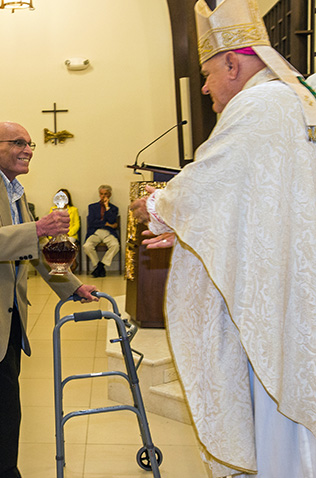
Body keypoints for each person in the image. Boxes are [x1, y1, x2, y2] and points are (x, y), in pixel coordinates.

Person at [130, 0, 316, 476]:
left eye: (209, 74)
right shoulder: (291, 100)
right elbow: (258, 204)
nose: (207, 87)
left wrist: (156, 207)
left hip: (279, 304)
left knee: (281, 424)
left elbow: (209, 180)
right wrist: (192, 225)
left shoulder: (260, 104)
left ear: (233, 62)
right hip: (289, 289)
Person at [0, 121, 98, 478]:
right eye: (18, 142)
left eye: (29, 143)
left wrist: (71, 285)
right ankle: (3, 472)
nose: (28, 149)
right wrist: (38, 227)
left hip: (9, 312)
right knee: (3, 398)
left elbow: (37, 249)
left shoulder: (14, 190)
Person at [83, 184, 119, 277]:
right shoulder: (92, 207)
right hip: (95, 232)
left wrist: (107, 207)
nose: (103, 196)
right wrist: (106, 224)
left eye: (106, 194)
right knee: (87, 246)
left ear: (109, 195)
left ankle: (101, 266)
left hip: (108, 232)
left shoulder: (114, 208)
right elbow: (91, 222)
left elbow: (112, 220)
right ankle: (99, 266)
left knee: (115, 245)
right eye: (101, 194)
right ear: (99, 195)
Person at [48, 188, 80, 271]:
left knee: (65, 243)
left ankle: (68, 264)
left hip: (70, 234)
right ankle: (58, 265)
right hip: (56, 234)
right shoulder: (53, 209)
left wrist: (67, 233)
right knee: (54, 244)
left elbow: (76, 224)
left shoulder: (73, 209)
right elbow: (51, 224)